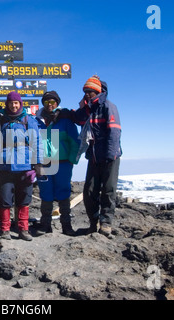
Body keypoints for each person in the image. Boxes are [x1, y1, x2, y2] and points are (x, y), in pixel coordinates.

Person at [74, 75, 122, 236]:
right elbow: (78, 119)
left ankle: (106, 223)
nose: (87, 94)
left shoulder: (108, 107)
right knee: (89, 191)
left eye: (90, 91)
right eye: (85, 92)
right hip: (94, 156)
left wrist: (110, 155)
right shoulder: (89, 109)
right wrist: (82, 106)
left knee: (108, 190)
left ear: (97, 92)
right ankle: (93, 222)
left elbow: (114, 132)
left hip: (110, 156)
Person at [0, 92, 42, 241]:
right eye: (11, 103)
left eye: (16, 103)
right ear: (7, 104)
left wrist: (38, 164)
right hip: (6, 165)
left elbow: (37, 142)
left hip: (25, 165)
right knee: (4, 198)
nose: (14, 105)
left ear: (20, 104)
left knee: (24, 198)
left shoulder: (29, 120)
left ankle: (23, 229)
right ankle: (5, 229)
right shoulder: (0, 118)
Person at [35, 91, 80, 236]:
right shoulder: (36, 121)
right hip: (44, 163)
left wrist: (72, 160)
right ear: (43, 103)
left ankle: (66, 226)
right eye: (46, 101)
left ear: (57, 103)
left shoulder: (65, 120)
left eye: (53, 101)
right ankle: (45, 225)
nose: (50, 104)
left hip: (63, 163)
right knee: (46, 193)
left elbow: (75, 141)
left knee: (63, 192)